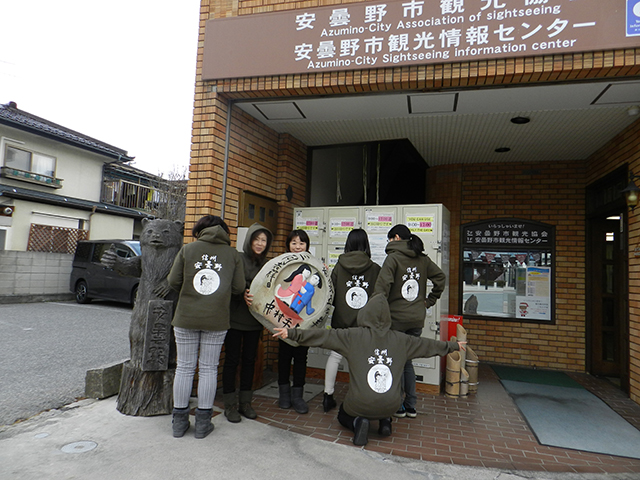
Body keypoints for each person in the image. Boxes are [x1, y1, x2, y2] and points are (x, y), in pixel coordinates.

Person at [273, 294, 464, 446]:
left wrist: (292, 333)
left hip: (359, 404)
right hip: (392, 405)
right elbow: (429, 346)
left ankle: (358, 423)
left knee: (343, 414)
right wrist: (453, 346)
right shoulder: (402, 340)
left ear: (365, 314)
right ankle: (385, 422)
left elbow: (322, 336)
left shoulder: (352, 336)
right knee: (386, 399)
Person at [168, 215, 245, 439]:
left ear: (200, 230)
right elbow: (239, 287)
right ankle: (203, 423)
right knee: (209, 368)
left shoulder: (188, 250)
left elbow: (173, 281)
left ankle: (179, 423)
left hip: (186, 317)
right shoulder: (233, 254)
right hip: (216, 319)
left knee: (184, 367)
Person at [373, 224, 446, 419]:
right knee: (407, 362)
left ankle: (398, 405)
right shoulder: (422, 259)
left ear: (396, 237)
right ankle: (411, 405)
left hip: (396, 320)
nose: (388, 243)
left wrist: (375, 314)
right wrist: (429, 301)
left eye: (389, 238)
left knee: (395, 362)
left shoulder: (393, 258)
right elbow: (440, 278)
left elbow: (381, 290)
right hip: (416, 319)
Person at [322, 228, 381, 413]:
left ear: (348, 244)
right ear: (366, 244)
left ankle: (327, 396)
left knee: (335, 357)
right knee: (362, 361)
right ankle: (359, 398)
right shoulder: (374, 269)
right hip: (364, 324)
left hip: (341, 321)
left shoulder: (339, 266)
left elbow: (331, 295)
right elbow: (378, 298)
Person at [222, 223, 273, 423]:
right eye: (256, 239)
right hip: (234, 319)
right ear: (249, 240)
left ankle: (245, 402)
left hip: (255, 321)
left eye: (264, 240)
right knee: (232, 360)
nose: (260, 244)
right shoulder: (238, 259)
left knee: (250, 361)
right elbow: (228, 285)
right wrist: (240, 292)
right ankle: (229, 405)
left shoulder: (267, 265)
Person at [278, 229, 312, 414]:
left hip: (304, 321)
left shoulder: (312, 266)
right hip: (283, 318)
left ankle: (298, 395)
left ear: (307, 246)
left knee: (300, 357)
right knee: (284, 355)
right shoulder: (280, 264)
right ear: (288, 245)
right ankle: (284, 393)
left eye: (301, 243)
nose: (297, 247)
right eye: (294, 243)